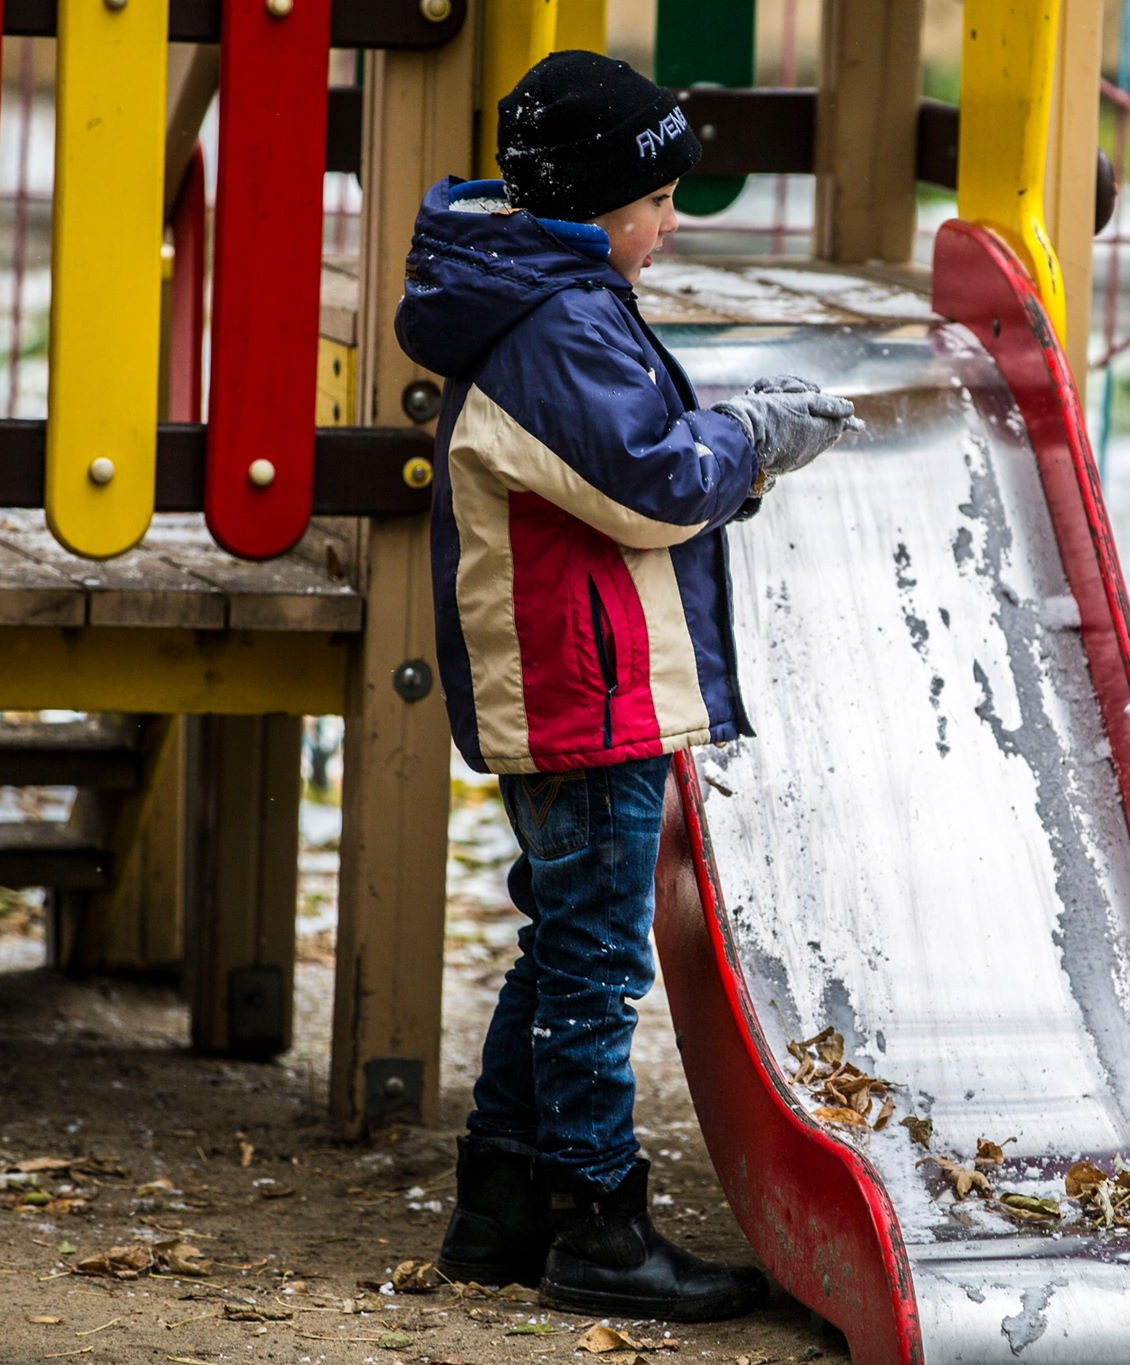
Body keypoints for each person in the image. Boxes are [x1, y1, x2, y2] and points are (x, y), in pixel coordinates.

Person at [394, 51, 858, 1321]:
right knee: (594, 969)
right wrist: (754, 441)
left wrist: (730, 430)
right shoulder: (554, 320)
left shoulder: (543, 296)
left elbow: (628, 445)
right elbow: (649, 484)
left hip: (572, 685)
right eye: (658, 202)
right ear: (597, 202)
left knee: (559, 954)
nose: (668, 224)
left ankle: (498, 1207)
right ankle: (598, 1220)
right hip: (582, 696)